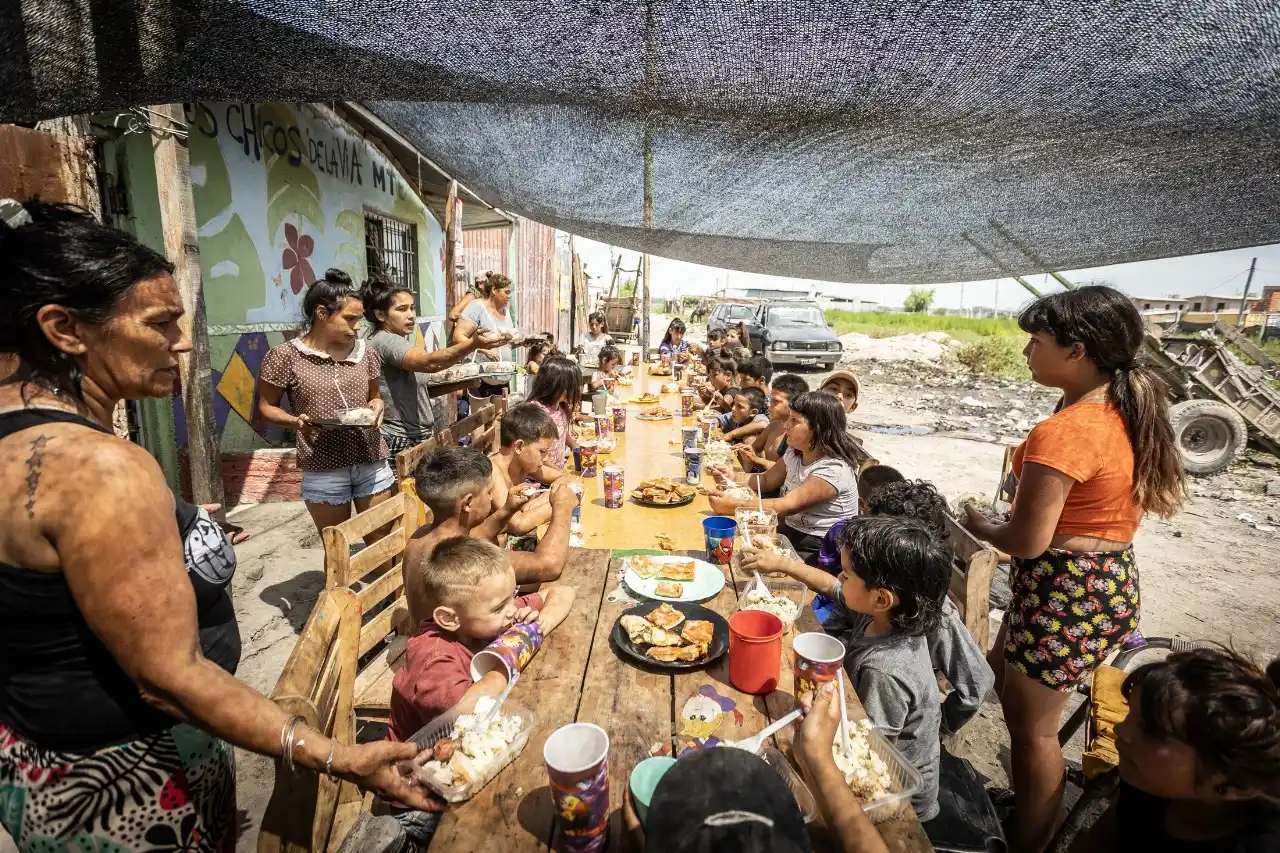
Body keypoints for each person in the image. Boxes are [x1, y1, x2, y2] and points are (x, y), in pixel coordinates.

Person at [0, 199, 435, 853]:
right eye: (160, 323)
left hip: (43, 767)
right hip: (134, 783)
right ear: (64, 328)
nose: (181, 341)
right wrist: (333, 755)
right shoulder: (99, 470)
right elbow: (168, 675)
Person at [960, 285, 1184, 853]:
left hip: (1066, 592)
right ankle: (1031, 814)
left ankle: (1030, 840)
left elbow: (1028, 542)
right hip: (1104, 583)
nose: (1028, 353)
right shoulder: (1119, 410)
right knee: (1015, 695)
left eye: (1036, 342)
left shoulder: (1066, 430)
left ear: (1077, 350)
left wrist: (983, 527)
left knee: (1032, 731)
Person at [387, 536, 576, 846]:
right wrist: (511, 654)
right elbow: (470, 708)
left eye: (514, 596)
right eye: (500, 606)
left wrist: (538, 626)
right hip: (422, 795)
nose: (514, 609)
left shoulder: (489, 616)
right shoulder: (434, 656)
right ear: (449, 618)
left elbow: (562, 592)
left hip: (471, 757)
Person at [1070, 647, 1280, 853]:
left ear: (1235, 785)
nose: (1120, 729)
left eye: (1151, 731)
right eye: (1130, 714)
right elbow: (1102, 839)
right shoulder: (1144, 781)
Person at [816, 516, 952, 820]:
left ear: (881, 598)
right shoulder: (881, 619)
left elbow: (869, 752)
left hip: (895, 802)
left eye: (847, 575)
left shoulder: (884, 672)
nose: (838, 577)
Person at [258, 270, 397, 536]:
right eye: (349, 319)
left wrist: (377, 406)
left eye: (359, 319)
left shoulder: (365, 354)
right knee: (337, 546)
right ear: (322, 314)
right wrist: (295, 422)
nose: (357, 327)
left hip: (370, 458)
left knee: (382, 537)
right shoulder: (285, 356)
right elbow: (267, 407)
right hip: (323, 465)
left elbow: (374, 396)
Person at [405, 447, 575, 629]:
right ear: (468, 503)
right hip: (470, 653)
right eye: (488, 492)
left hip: (432, 641)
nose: (492, 497)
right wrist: (563, 507)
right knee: (563, 596)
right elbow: (549, 566)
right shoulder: (460, 558)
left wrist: (507, 510)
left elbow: (475, 537)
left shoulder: (420, 537)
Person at [709, 391, 862, 565]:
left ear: (819, 428)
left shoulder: (833, 469)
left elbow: (785, 505)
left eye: (795, 421)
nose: (786, 425)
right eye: (789, 418)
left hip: (818, 552)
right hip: (788, 534)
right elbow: (766, 480)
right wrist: (733, 476)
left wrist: (731, 506)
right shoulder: (796, 452)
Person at [360, 273, 505, 455]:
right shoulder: (386, 341)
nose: (411, 316)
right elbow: (429, 363)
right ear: (380, 315)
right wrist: (472, 344)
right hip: (401, 440)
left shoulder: (396, 341)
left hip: (414, 438)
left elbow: (418, 387)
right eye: (402, 309)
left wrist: (462, 382)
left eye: (412, 308)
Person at [489, 403, 573, 533]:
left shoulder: (524, 465)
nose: (545, 459)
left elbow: (566, 478)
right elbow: (519, 524)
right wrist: (561, 504)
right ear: (519, 447)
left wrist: (542, 499)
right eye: (542, 451)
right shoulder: (493, 471)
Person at [452, 272, 518, 405]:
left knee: (499, 420)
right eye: (506, 292)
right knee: (481, 420)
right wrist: (483, 350)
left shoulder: (504, 310)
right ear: (494, 290)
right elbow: (458, 337)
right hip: (482, 378)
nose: (509, 296)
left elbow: (504, 343)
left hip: (503, 377)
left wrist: (520, 342)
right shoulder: (477, 307)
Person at [738, 372, 808, 471]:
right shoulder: (774, 425)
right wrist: (744, 449)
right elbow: (755, 448)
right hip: (764, 480)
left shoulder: (796, 435)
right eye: (770, 400)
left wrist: (756, 460)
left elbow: (786, 471)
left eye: (776, 401)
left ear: (794, 403)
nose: (769, 405)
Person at [524, 356, 584, 471]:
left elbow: (562, 432)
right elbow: (535, 457)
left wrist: (574, 446)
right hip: (542, 476)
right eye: (573, 386)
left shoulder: (560, 406)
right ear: (558, 387)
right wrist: (561, 474)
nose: (576, 390)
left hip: (558, 471)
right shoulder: (536, 412)